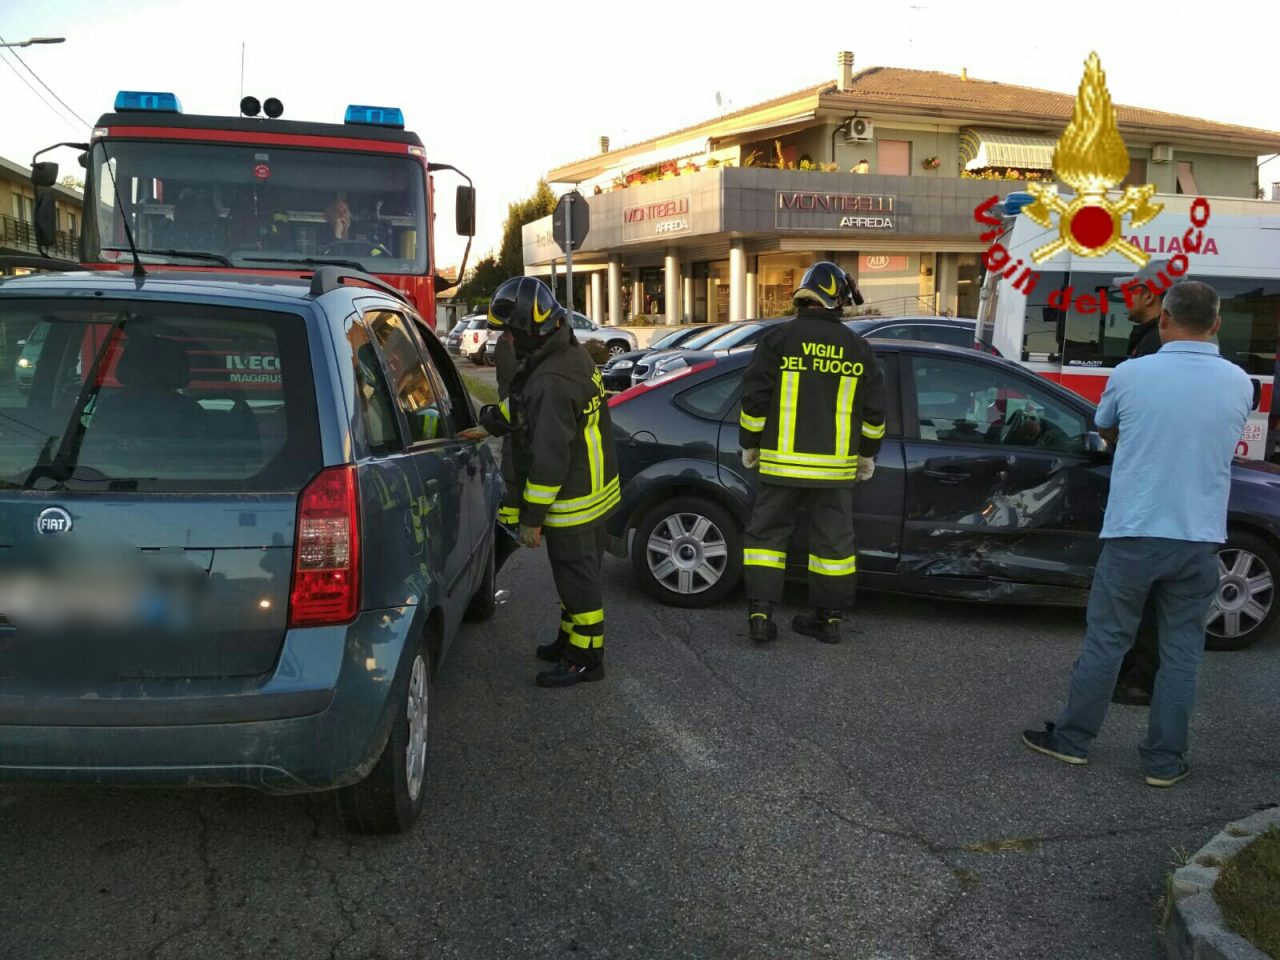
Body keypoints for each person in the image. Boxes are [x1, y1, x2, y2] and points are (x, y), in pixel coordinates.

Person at [1021, 281, 1250, 788]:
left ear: (1163, 319)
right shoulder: (1239, 382)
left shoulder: (1131, 373)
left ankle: (1073, 741)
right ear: (1215, 324)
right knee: (1182, 652)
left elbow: (1107, 428)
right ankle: (1164, 762)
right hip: (1200, 539)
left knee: (1108, 639)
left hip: (1135, 531)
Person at [461, 276, 619, 688]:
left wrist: (531, 519)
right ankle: (571, 643)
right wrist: (490, 423)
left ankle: (586, 659)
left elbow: (549, 459)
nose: (507, 339)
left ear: (530, 331)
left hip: (576, 496)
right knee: (572, 577)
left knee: (578, 579)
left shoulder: (552, 378)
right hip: (594, 488)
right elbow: (526, 410)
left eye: (511, 331)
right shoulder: (565, 354)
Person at [738, 261, 887, 644]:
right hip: (835, 472)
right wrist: (867, 454)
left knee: (767, 538)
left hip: (780, 465)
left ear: (804, 296)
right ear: (836, 299)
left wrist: (749, 445)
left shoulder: (777, 340)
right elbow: (875, 413)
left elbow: (754, 401)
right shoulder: (858, 347)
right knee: (833, 545)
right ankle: (829, 620)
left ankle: (760, 615)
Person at [1109, 260, 1184, 706]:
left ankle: (1139, 679)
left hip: (1149, 494)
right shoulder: (1151, 341)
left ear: (1152, 297)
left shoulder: (1154, 347)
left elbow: (1118, 423)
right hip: (1165, 493)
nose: (1124, 297)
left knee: (1142, 596)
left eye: (1130, 291)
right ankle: (1138, 674)